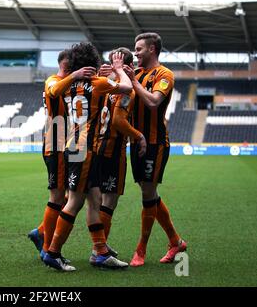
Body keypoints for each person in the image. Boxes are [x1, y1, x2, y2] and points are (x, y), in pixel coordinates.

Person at [42, 42, 132, 271]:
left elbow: (52, 91)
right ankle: (53, 252)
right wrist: (119, 69)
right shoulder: (99, 84)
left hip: (72, 145)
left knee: (94, 200)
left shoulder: (68, 86)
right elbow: (127, 88)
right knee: (76, 201)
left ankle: (100, 252)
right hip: (86, 149)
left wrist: (73, 76)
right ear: (92, 63)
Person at [123, 32, 187, 266]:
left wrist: (133, 82)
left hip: (154, 143)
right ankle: (176, 242)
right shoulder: (136, 74)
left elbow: (153, 101)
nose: (135, 52)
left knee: (147, 193)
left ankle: (141, 249)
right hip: (136, 141)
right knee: (149, 193)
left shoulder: (164, 74)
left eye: (139, 48)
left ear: (152, 49)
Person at [28, 50, 96, 260]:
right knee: (58, 197)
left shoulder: (70, 84)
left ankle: (40, 232)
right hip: (55, 144)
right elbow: (54, 90)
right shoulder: (54, 80)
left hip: (68, 144)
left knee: (72, 195)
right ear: (68, 67)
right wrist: (75, 76)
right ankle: (47, 247)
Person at [91, 48, 147, 263]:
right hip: (113, 150)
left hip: (95, 147)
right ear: (129, 67)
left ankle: (99, 245)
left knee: (89, 200)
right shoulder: (127, 90)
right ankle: (99, 251)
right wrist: (138, 135)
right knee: (109, 201)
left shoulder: (103, 83)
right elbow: (118, 122)